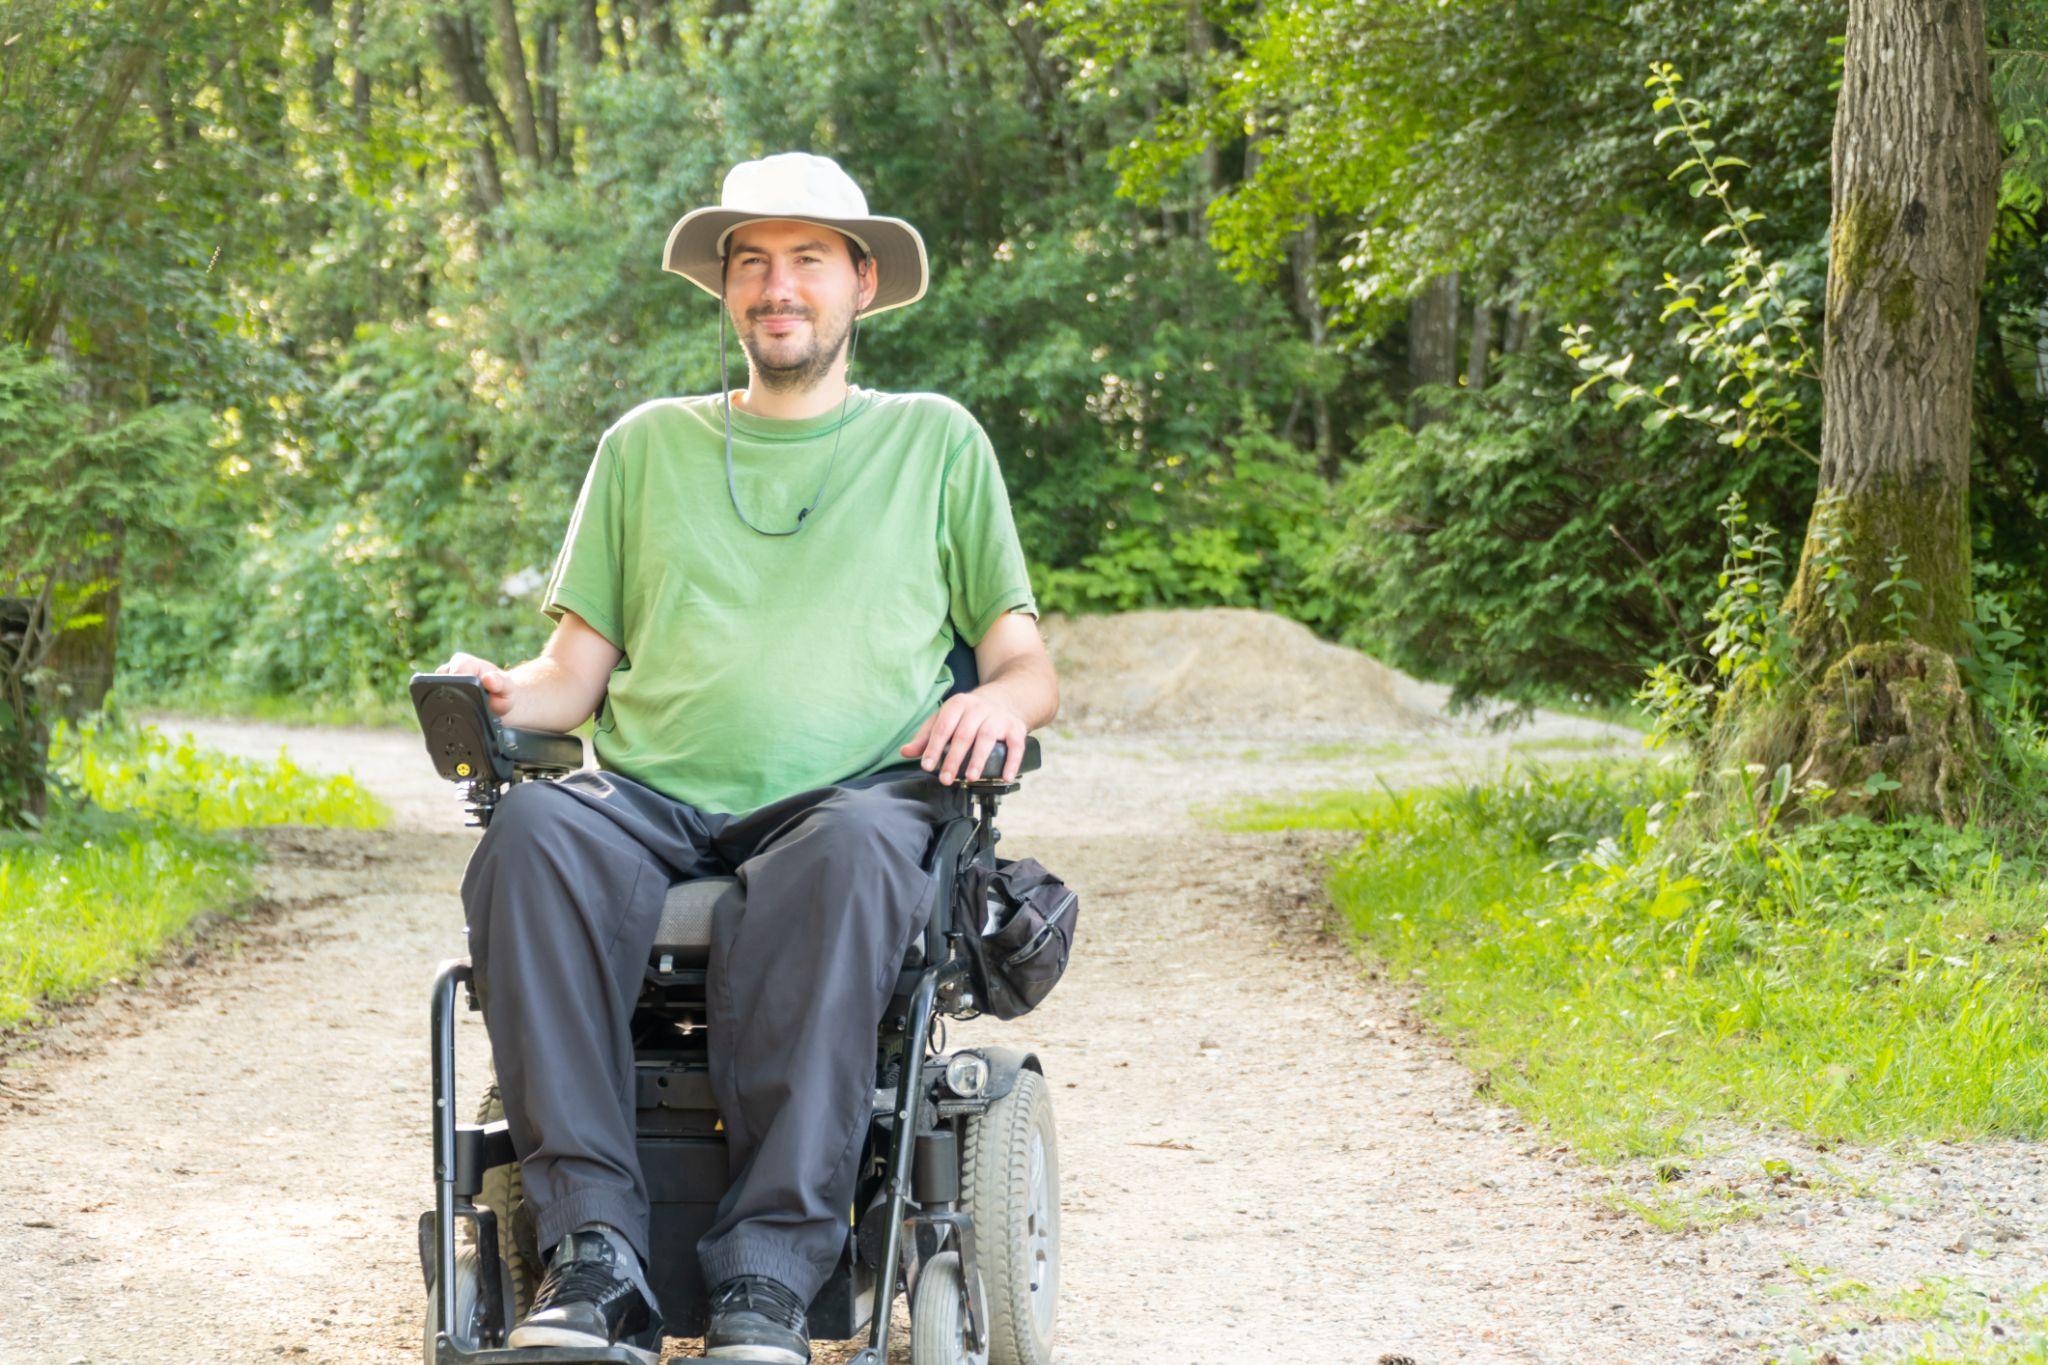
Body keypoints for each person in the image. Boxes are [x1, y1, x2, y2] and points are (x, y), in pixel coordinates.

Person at [438, 152, 1059, 1364]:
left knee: (849, 858)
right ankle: (594, 1258)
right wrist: (503, 690)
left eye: (808, 261)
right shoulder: (645, 448)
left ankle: (771, 1277)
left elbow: (1024, 661)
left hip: (854, 799)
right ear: (726, 290)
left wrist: (1001, 704)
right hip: (653, 797)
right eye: (754, 263)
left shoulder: (933, 443)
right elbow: (575, 672)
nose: (779, 287)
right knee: (531, 834)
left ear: (861, 283)